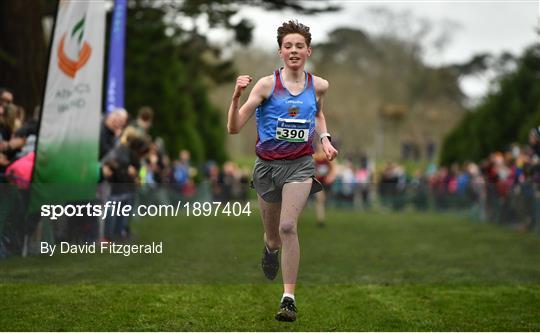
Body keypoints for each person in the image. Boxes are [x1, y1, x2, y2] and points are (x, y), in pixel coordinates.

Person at [227, 20, 338, 322]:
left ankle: (288, 298)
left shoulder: (320, 85)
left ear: (308, 51)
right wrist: (236, 96)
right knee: (274, 236)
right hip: (267, 167)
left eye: (299, 46)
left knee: (288, 227)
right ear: (280, 52)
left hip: (300, 165)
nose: (293, 50)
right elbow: (235, 128)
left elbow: (318, 114)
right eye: (288, 46)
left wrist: (324, 139)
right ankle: (269, 248)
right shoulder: (265, 85)